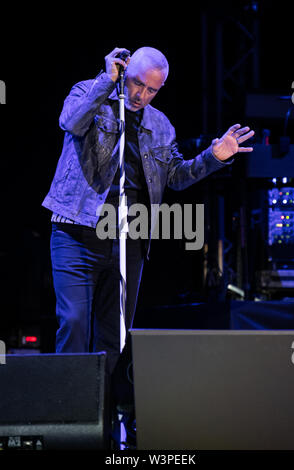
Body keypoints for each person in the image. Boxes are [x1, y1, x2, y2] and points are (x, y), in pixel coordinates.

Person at [42, 46, 254, 377]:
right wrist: (105, 82)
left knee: (114, 337)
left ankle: (103, 423)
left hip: (128, 240)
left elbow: (177, 177)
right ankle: (69, 421)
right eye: (137, 83)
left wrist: (215, 156)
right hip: (77, 231)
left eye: (152, 89)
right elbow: (70, 122)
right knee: (74, 323)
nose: (141, 95)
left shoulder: (160, 125)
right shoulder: (89, 91)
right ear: (124, 72)